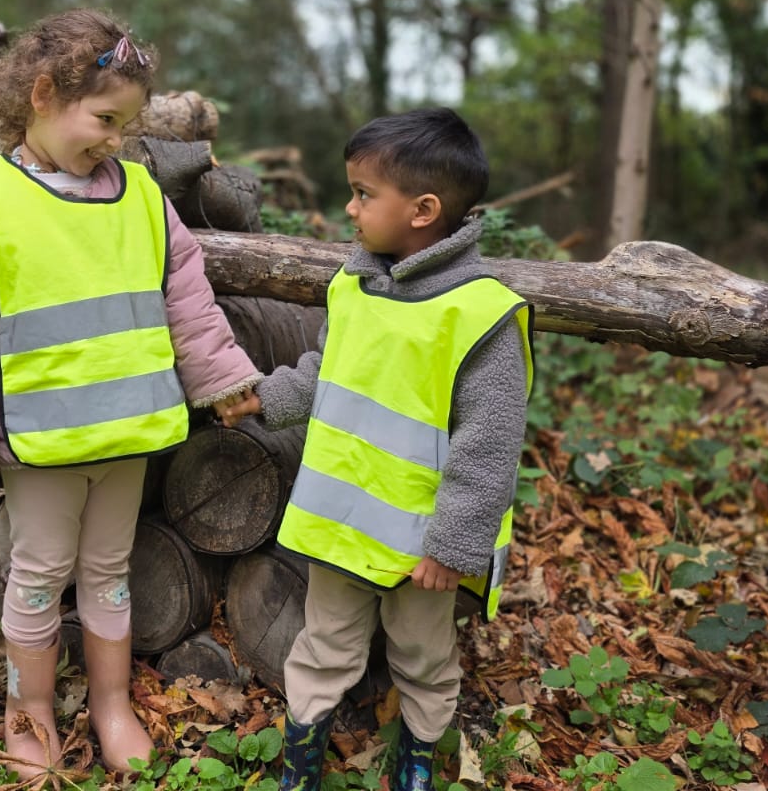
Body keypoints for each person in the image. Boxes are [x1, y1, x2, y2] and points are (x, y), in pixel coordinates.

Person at [0, 9, 262, 777]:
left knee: (108, 572)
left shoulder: (141, 195)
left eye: (126, 125)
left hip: (127, 433)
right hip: (41, 443)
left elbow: (188, 299)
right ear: (42, 95)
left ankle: (111, 705)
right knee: (39, 577)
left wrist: (223, 379)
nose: (115, 139)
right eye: (104, 119)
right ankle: (29, 714)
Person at [219, 108, 534, 791]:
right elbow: (328, 370)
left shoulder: (480, 315)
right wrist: (268, 397)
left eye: (364, 193)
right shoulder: (355, 285)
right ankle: (301, 764)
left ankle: (416, 761)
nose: (350, 207)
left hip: (424, 546)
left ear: (423, 210)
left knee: (422, 655)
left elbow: (489, 446)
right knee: (323, 644)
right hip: (342, 524)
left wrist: (453, 545)